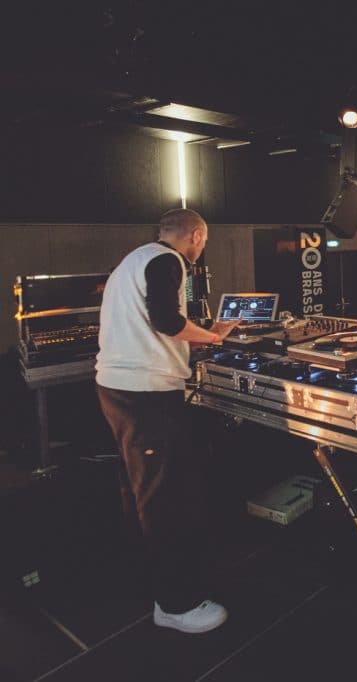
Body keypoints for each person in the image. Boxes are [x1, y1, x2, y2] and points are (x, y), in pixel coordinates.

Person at [95, 208, 239, 634]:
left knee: (138, 488)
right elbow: (165, 322)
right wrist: (212, 337)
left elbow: (151, 322)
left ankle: (147, 580)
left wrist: (206, 329)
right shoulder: (169, 260)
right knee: (162, 496)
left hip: (117, 388)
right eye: (204, 241)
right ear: (196, 235)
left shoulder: (133, 260)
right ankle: (176, 604)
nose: (201, 248)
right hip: (145, 393)